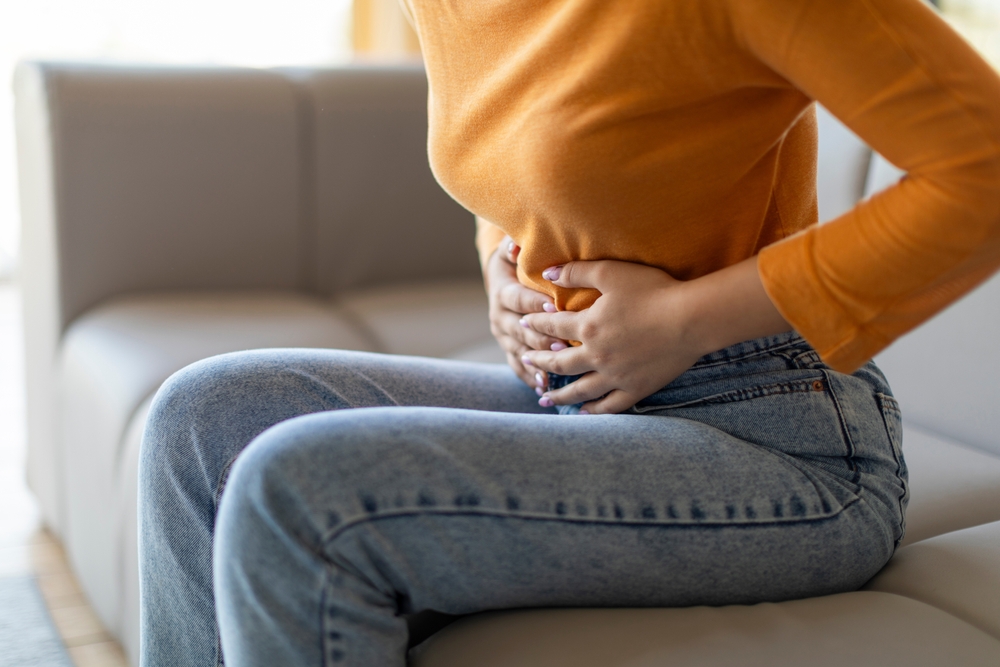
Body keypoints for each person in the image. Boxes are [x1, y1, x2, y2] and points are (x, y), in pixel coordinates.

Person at [139, 0, 1000, 665]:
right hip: (580, 400)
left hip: (783, 437)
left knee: (299, 493)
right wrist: (500, 271)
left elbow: (984, 168)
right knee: (200, 417)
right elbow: (513, 163)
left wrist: (682, 321)